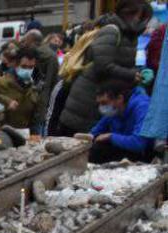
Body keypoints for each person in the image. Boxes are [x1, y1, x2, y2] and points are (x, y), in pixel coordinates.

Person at [57, 0, 149, 136]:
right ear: (126, 12)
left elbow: (123, 64)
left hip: (103, 97)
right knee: (75, 140)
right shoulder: (112, 30)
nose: (139, 20)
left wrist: (138, 73)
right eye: (136, 15)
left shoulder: (130, 36)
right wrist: (131, 74)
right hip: (88, 98)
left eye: (142, 17)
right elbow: (103, 65)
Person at [90, 80, 154, 162]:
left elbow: (139, 143)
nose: (101, 107)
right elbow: (96, 130)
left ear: (120, 98)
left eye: (104, 103)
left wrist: (110, 136)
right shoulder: (114, 110)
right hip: (123, 148)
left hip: (143, 153)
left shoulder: (142, 107)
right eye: (99, 103)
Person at [0, 47, 43, 135]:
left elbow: (35, 119)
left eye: (31, 67)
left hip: (24, 135)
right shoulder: (2, 83)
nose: (27, 70)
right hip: (2, 135)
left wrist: (35, 136)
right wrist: (6, 101)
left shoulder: (33, 89)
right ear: (16, 65)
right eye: (24, 66)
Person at [22, 30, 60, 110]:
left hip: (44, 100)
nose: (24, 44)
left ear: (31, 41)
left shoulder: (46, 56)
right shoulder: (39, 53)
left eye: (25, 41)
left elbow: (48, 83)